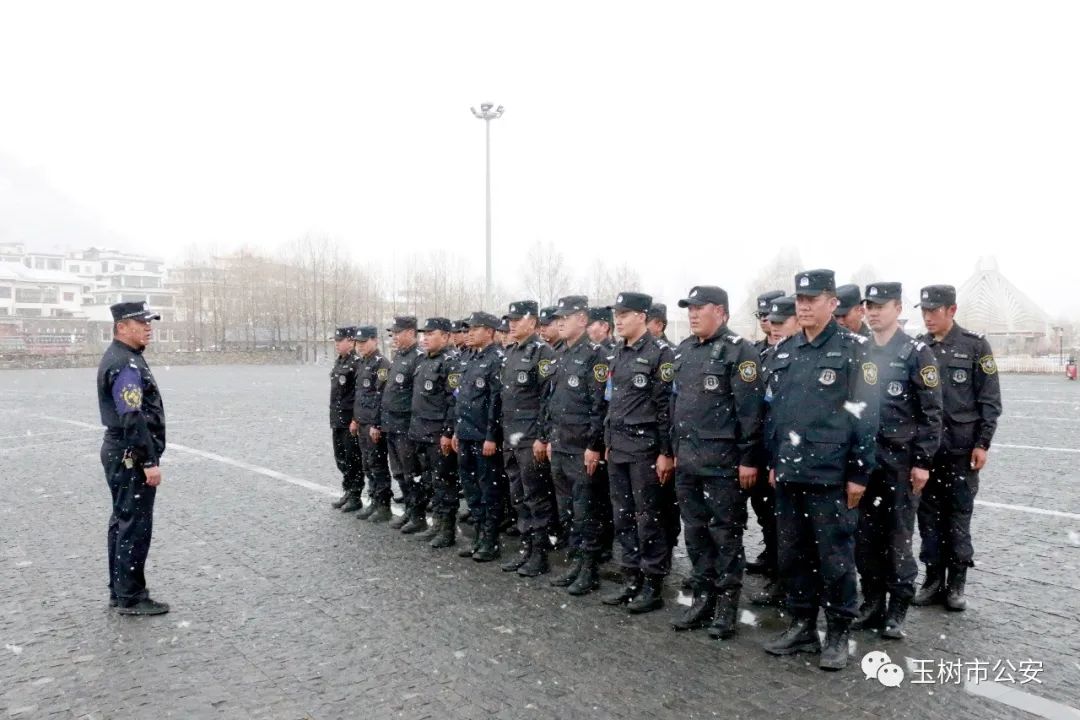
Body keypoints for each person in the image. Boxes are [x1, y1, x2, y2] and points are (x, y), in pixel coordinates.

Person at [761, 269, 879, 671]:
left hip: (831, 475)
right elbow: (775, 414)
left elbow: (866, 416)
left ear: (832, 303)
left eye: (813, 299)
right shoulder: (786, 350)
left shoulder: (856, 350)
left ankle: (839, 632)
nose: (805, 306)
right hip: (791, 473)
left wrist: (860, 474)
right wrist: (776, 461)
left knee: (835, 558)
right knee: (793, 555)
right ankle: (802, 624)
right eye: (800, 300)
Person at [670, 286, 765, 639]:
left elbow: (750, 413)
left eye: (700, 308)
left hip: (723, 464)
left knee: (725, 535)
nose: (693, 314)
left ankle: (726, 606)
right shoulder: (684, 352)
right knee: (695, 534)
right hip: (690, 462)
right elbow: (674, 406)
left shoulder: (741, 352)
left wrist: (748, 459)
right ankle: (703, 598)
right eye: (690, 308)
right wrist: (673, 448)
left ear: (721, 312)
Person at [853, 282, 942, 639]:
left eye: (880, 305)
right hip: (865, 462)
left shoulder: (916, 353)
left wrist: (922, 462)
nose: (873, 312)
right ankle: (872, 603)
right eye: (868, 306)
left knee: (897, 539)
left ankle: (896, 610)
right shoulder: (860, 351)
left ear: (897, 307)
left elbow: (932, 413)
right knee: (865, 540)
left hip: (900, 463)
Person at [913, 284, 1002, 611]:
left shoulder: (975, 346)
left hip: (962, 451)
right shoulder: (919, 348)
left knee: (959, 516)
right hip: (927, 452)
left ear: (952, 310)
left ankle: (956, 584)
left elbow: (990, 399)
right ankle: (933, 579)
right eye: (923, 311)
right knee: (928, 518)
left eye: (933, 311)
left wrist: (983, 443)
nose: (927, 318)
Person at [600, 292, 676, 615]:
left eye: (625, 313)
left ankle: (652, 583)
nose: (618, 319)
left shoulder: (661, 354)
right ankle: (630, 577)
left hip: (644, 450)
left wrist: (665, 452)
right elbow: (611, 401)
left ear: (642, 317)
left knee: (649, 519)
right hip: (618, 448)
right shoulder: (618, 353)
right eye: (617, 313)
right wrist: (606, 439)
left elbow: (665, 409)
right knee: (623, 517)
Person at [97, 301, 169, 615]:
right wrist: (149, 461)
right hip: (130, 454)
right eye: (141, 323)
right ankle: (131, 596)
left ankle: (120, 589)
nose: (148, 327)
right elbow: (132, 417)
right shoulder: (126, 364)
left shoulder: (124, 358)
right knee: (134, 526)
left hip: (120, 451)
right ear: (122, 327)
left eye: (149, 322)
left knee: (123, 522)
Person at [543, 295, 610, 595]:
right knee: (566, 511)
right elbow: (552, 402)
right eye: (558, 317)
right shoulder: (561, 355)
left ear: (582, 320)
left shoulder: (596, 357)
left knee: (586, 512)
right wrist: (548, 437)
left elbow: (599, 407)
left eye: (565, 317)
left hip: (582, 448)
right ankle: (575, 562)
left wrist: (594, 446)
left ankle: (589, 569)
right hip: (560, 445)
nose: (559, 322)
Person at [495, 300, 559, 575]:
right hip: (511, 438)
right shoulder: (510, 353)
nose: (511, 323)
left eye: (517, 318)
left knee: (536, 497)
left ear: (532, 322)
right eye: (510, 318)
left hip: (530, 439)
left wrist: (542, 437)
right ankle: (526, 548)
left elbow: (548, 400)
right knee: (518, 497)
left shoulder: (542, 354)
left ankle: (540, 553)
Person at [748, 294, 799, 607]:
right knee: (769, 516)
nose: (768, 322)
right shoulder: (762, 354)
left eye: (777, 318)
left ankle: (787, 582)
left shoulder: (795, 356)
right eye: (764, 316)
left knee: (790, 523)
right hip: (766, 450)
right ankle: (775, 566)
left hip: (791, 455)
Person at [451, 312, 504, 557]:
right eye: (468, 328)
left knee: (488, 489)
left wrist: (492, 436)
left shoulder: (496, 360)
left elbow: (496, 402)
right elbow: (460, 399)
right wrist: (456, 431)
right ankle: (479, 535)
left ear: (490, 332)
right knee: (471, 488)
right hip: (466, 434)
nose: (469, 333)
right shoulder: (468, 358)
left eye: (476, 328)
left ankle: (490, 541)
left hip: (484, 437)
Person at [406, 318, 458, 538]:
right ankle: (436, 523)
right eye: (423, 334)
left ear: (445, 336)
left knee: (444, 481)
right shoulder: (423, 361)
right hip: (421, 431)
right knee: (429, 480)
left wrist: (447, 433)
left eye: (430, 333)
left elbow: (453, 401)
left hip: (438, 434)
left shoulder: (450, 362)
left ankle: (447, 529)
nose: (424, 338)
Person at [381, 316, 423, 530]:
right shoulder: (399, 356)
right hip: (392, 425)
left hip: (406, 426)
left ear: (410, 332)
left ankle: (418, 516)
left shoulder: (418, 358)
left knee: (411, 472)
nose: (395, 337)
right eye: (393, 333)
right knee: (398, 471)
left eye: (398, 332)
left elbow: (418, 397)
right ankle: (409, 509)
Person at [353, 326, 393, 523]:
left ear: (374, 341)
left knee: (377, 464)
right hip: (362, 422)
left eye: (363, 342)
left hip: (373, 424)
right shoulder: (362, 363)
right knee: (367, 464)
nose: (360, 346)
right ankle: (374, 501)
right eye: (358, 343)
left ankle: (384, 505)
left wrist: (376, 424)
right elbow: (360, 395)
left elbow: (382, 396)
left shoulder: (382, 364)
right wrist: (355, 419)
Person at [329, 326, 365, 513]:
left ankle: (355, 494)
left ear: (350, 342)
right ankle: (348, 489)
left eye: (339, 341)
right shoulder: (340, 362)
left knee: (353, 458)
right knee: (340, 457)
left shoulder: (356, 363)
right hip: (337, 418)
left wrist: (355, 419)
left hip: (349, 419)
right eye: (335, 341)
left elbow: (359, 395)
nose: (336, 344)